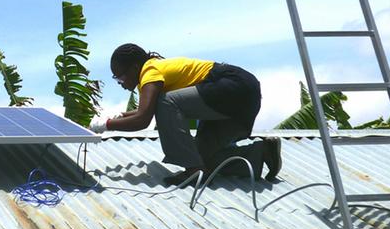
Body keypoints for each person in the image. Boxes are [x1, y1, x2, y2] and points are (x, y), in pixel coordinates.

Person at [89, 43, 281, 186]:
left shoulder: (150, 71)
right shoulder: (152, 74)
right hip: (239, 97)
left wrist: (105, 125)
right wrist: (124, 116)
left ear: (134, 68)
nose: (121, 83)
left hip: (232, 85)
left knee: (165, 102)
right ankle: (262, 153)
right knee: (206, 160)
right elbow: (142, 112)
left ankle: (192, 170)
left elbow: (143, 119)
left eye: (120, 76)